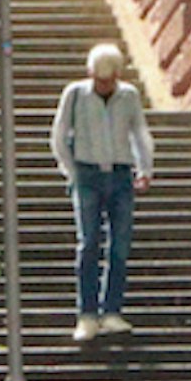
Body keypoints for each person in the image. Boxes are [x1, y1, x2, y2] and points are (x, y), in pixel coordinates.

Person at [49, 42, 154, 344]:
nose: (103, 85)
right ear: (90, 73)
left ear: (118, 75)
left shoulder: (129, 96)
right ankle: (87, 313)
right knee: (89, 243)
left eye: (108, 80)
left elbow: (139, 132)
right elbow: (59, 134)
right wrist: (71, 170)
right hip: (88, 172)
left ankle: (112, 310)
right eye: (98, 79)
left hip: (120, 174)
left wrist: (145, 169)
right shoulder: (76, 94)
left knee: (120, 245)